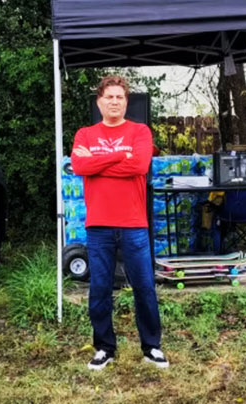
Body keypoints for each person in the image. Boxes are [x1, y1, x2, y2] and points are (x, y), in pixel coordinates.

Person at [71, 75, 168, 370]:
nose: (114, 102)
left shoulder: (140, 131)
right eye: (109, 97)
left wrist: (99, 164)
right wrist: (119, 156)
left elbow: (140, 164)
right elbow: (78, 165)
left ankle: (152, 346)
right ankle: (104, 347)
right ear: (99, 101)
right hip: (98, 225)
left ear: (126, 102)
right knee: (100, 287)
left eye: (120, 97)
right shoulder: (85, 134)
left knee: (144, 286)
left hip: (133, 223)